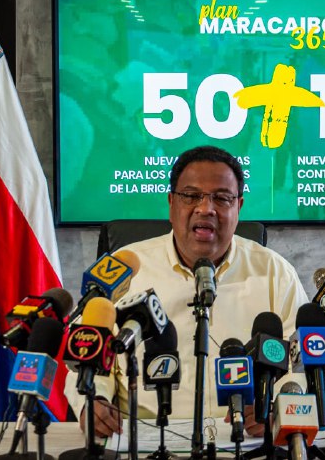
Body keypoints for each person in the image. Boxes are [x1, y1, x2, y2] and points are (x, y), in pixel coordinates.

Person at [65, 145, 309, 438]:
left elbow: (305, 362)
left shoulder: (275, 272)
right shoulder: (123, 269)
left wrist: (281, 403)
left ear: (239, 207)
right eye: (191, 196)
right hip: (142, 438)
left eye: (222, 198)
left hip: (247, 440)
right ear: (171, 203)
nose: (206, 209)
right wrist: (94, 400)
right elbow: (84, 351)